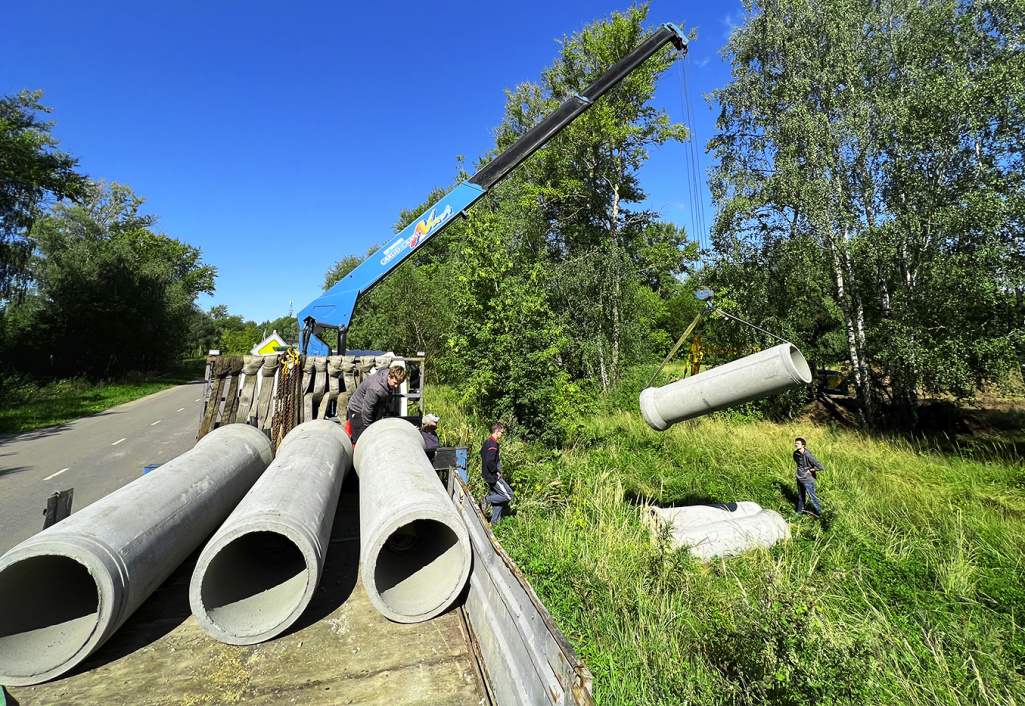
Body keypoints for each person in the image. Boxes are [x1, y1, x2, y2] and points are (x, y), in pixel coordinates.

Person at [346, 365, 407, 444]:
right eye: (395, 383)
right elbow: (367, 409)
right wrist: (369, 428)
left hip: (374, 408)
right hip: (358, 409)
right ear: (389, 376)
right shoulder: (375, 389)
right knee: (361, 440)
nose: (396, 386)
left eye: (399, 384)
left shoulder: (387, 376)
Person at [480, 422, 514, 526]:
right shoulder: (493, 444)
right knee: (508, 495)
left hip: (487, 475)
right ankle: (486, 499)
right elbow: (490, 461)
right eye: (502, 433)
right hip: (493, 476)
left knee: (498, 498)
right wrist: (495, 471)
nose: (502, 435)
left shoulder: (488, 441)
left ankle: (493, 523)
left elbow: (482, 453)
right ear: (497, 431)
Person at [793, 437, 824, 516]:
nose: (796, 445)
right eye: (795, 443)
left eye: (798, 444)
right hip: (799, 477)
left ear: (803, 445)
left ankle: (820, 514)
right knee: (801, 496)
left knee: (812, 498)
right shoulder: (796, 453)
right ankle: (799, 513)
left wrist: (811, 470)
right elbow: (798, 463)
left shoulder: (808, 455)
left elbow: (821, 467)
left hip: (807, 479)